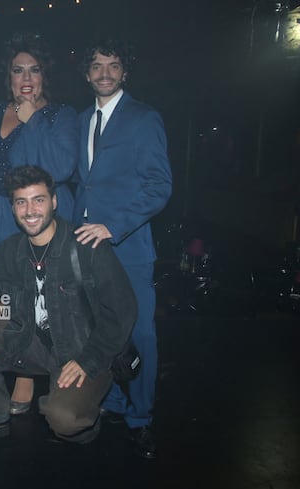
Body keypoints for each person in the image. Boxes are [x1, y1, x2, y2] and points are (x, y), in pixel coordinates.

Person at [0, 165, 136, 447]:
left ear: (54, 202)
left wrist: (89, 360)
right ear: (13, 208)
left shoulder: (86, 246)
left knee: (66, 420)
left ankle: (86, 415)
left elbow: (123, 309)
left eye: (38, 199)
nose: (30, 210)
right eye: (21, 202)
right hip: (33, 343)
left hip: (82, 351)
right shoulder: (9, 250)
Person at [0, 32, 79, 414]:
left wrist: (33, 123)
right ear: (8, 76)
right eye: (18, 70)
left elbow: (60, 167)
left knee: (27, 295)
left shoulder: (60, 116)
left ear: (45, 76)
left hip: (32, 220)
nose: (26, 78)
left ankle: (26, 376)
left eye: (34, 70)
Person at [73, 39, 173, 459]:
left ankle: (141, 417)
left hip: (128, 246)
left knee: (141, 334)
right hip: (87, 249)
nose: (105, 73)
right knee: (102, 329)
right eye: (97, 66)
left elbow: (160, 186)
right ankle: (113, 402)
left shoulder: (144, 118)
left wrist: (113, 226)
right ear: (87, 73)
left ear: (124, 72)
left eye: (113, 66)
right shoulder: (82, 120)